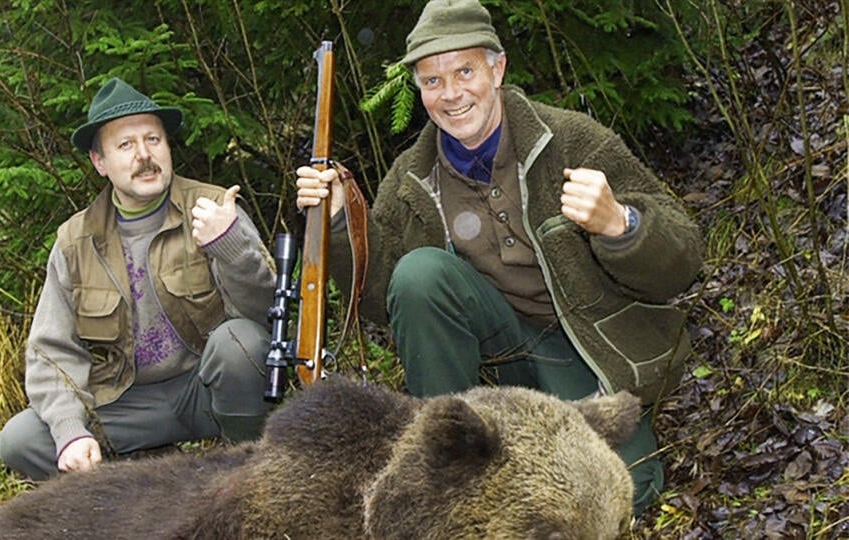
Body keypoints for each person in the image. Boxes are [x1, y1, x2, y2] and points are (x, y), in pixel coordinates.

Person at [295, 0, 703, 515]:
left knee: (623, 492)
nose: (451, 95)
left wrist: (620, 224)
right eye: (432, 81)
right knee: (421, 275)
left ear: (497, 67)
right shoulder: (410, 178)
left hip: (586, 357)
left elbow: (684, 260)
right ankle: (444, 463)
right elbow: (382, 298)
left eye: (464, 71)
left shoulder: (572, 140)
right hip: (490, 371)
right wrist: (337, 223)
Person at [0, 77, 277, 480]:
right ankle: (128, 492)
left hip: (207, 391)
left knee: (238, 344)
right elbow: (50, 352)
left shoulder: (213, 208)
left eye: (153, 139)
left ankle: (251, 474)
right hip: (128, 402)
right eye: (125, 145)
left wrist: (230, 247)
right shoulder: (76, 241)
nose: (144, 156)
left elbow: (266, 317)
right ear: (100, 162)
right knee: (21, 440)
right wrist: (71, 431)